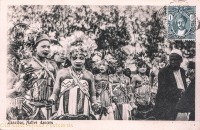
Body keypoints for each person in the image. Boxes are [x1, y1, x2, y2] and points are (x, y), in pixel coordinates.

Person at [48, 42, 99, 120]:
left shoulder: (89, 75)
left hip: (84, 112)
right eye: (74, 58)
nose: (78, 61)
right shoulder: (62, 72)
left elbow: (92, 94)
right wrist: (52, 99)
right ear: (69, 58)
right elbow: (56, 91)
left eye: (81, 58)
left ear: (86, 58)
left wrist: (95, 104)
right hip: (65, 112)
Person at [19, 34, 57, 120]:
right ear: (35, 48)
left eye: (48, 47)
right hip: (31, 105)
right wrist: (25, 77)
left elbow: (57, 85)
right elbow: (18, 87)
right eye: (43, 46)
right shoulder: (26, 63)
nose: (46, 49)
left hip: (48, 106)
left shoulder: (52, 65)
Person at [154, 49, 187, 120]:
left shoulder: (182, 71)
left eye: (175, 60)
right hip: (168, 106)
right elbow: (163, 90)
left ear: (181, 60)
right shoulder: (163, 72)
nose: (173, 62)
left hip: (181, 103)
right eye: (171, 60)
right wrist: (180, 92)